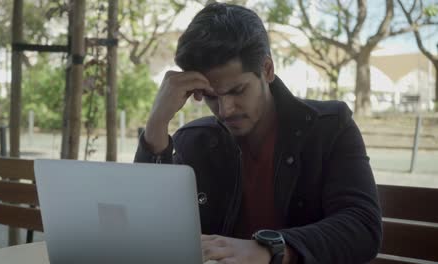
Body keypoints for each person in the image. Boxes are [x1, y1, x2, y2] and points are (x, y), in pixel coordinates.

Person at [134, 3, 382, 264]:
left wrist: (270, 249)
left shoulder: (329, 127)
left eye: (237, 90)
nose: (225, 110)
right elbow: (147, 228)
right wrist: (156, 126)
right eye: (210, 97)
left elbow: (363, 227)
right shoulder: (195, 141)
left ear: (267, 69)